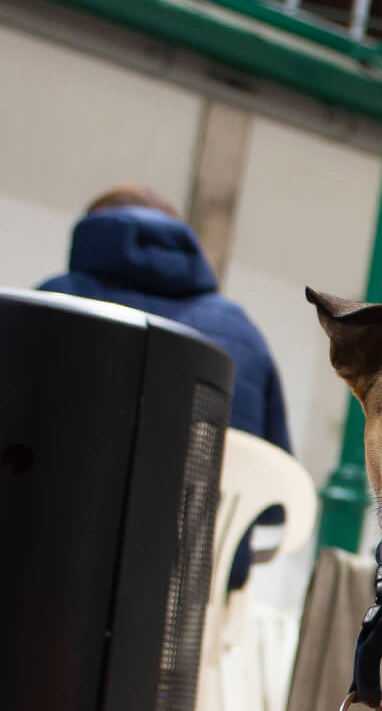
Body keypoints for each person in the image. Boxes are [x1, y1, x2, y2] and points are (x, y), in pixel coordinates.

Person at [40, 186, 293, 589]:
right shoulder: (242, 332)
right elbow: (274, 508)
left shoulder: (52, 302)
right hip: (193, 595)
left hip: (54, 576)